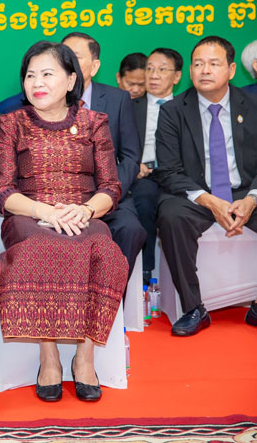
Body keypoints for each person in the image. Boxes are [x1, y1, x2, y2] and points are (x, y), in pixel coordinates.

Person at [0, 41, 127, 403]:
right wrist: (46, 212)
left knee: (105, 252)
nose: (37, 82)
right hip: (29, 216)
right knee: (40, 246)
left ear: (70, 80)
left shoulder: (94, 122)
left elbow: (110, 187)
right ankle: (48, 355)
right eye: (30, 75)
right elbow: (3, 192)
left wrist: (85, 211)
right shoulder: (11, 124)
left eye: (47, 74)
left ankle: (85, 356)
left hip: (83, 214)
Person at [155, 36, 257, 335]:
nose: (205, 70)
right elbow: (168, 171)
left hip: (245, 190)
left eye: (213, 64)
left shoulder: (253, 105)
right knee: (171, 215)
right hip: (196, 195)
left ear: (231, 70)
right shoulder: (173, 111)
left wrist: (252, 198)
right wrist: (211, 201)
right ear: (190, 71)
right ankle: (194, 308)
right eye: (198, 64)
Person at [62, 32, 145, 280]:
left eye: (75, 57)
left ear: (95, 65)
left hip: (109, 192)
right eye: (63, 56)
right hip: (62, 197)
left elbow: (130, 156)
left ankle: (113, 295)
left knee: (130, 229)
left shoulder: (117, 99)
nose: (67, 62)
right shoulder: (48, 99)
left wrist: (109, 193)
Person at [130, 48, 182, 283]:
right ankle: (146, 271)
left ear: (177, 76)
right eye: (149, 69)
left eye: (162, 69)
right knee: (143, 201)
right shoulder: (130, 106)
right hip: (145, 175)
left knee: (178, 210)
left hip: (178, 175)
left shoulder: (186, 108)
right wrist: (135, 165)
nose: (153, 75)